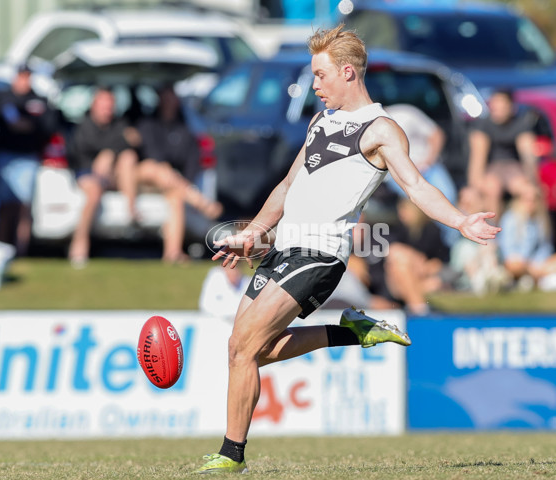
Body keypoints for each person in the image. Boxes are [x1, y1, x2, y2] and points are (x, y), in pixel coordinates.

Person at [199, 24, 500, 474]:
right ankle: (351, 331)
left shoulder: (380, 130)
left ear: (347, 73)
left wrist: (459, 219)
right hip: (283, 249)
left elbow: (416, 185)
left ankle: (230, 456)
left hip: (320, 256)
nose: (315, 86)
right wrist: (252, 233)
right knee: (247, 351)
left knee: (243, 349)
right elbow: (288, 185)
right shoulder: (321, 122)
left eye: (320, 76)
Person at [136, 85, 223, 263]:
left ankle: (172, 253)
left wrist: (182, 182)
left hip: (171, 184)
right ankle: (201, 202)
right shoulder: (148, 124)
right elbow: (154, 157)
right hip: (141, 179)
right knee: (158, 169)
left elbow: (191, 162)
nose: (169, 102)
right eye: (165, 98)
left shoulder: (185, 130)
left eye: (172, 98)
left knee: (175, 198)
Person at [67, 87, 139, 267]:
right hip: (86, 173)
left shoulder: (118, 124)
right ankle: (79, 244)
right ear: (93, 105)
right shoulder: (82, 126)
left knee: (128, 158)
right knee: (93, 192)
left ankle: (131, 212)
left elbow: (128, 142)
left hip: (112, 176)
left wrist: (109, 153)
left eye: (110, 105)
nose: (107, 109)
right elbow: (81, 157)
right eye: (103, 105)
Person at [384, 103, 458, 248]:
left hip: (428, 168)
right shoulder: (367, 127)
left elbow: (436, 134)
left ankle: (452, 246)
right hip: (397, 174)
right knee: (421, 206)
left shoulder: (405, 113)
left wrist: (428, 161)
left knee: (449, 199)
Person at [0, 64, 55, 255]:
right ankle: (4, 246)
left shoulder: (38, 99)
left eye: (27, 76)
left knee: (23, 205)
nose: (24, 80)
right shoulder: (4, 97)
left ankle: (20, 250)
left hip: (27, 158)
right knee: (5, 205)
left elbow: (46, 127)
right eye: (21, 76)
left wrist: (24, 126)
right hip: (5, 157)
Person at [498, 180, 556, 291]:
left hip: (539, 265)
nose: (531, 203)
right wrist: (529, 266)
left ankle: (533, 279)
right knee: (513, 265)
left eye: (534, 199)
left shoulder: (542, 220)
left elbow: (546, 249)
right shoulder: (509, 219)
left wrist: (538, 267)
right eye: (527, 200)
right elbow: (508, 253)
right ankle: (539, 279)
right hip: (520, 264)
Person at [468, 87, 537, 219]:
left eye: (501, 105)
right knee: (491, 188)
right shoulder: (483, 125)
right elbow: (477, 160)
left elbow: (528, 156)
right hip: (492, 168)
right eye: (494, 105)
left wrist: (532, 183)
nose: (497, 109)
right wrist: (474, 187)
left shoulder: (521, 123)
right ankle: (493, 227)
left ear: (511, 107)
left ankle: (525, 232)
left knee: (528, 192)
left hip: (513, 168)